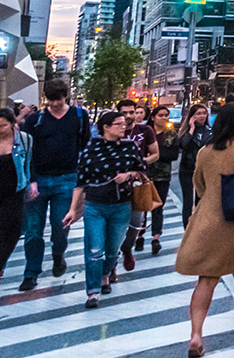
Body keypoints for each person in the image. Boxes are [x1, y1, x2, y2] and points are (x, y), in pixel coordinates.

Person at [175, 103, 234, 358]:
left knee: (206, 278)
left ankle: (196, 335)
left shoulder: (205, 152)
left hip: (209, 219)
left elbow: (199, 185)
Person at [61, 111, 146, 308]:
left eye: (124, 123)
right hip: (95, 205)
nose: (123, 127)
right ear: (105, 127)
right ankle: (92, 292)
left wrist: (128, 175)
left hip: (121, 205)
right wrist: (73, 209)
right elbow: (80, 182)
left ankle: (106, 273)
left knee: (112, 250)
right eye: (118, 124)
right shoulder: (91, 148)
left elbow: (142, 171)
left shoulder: (129, 146)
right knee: (94, 249)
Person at [19, 78, 91, 291]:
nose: (54, 105)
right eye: (50, 101)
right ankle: (31, 272)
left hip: (67, 178)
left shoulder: (79, 116)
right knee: (33, 229)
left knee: (61, 226)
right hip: (39, 179)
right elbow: (27, 152)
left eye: (57, 100)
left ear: (65, 96)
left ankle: (58, 254)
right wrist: (31, 179)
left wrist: (83, 182)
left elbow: (85, 146)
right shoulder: (36, 120)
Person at [115, 99, 159, 274]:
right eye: (124, 113)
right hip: (116, 183)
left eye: (131, 112)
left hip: (138, 182)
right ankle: (112, 263)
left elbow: (155, 154)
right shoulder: (113, 129)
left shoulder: (145, 130)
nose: (128, 116)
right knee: (116, 224)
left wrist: (141, 162)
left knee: (136, 223)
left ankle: (127, 248)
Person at [0, 107, 33, 279]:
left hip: (15, 190)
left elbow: (29, 162)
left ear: (13, 125)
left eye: (3, 126)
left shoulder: (24, 140)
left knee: (13, 229)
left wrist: (31, 183)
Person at [145, 106, 178, 255]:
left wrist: (155, 154)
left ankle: (155, 238)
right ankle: (139, 235)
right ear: (153, 117)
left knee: (158, 207)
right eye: (161, 115)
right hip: (145, 175)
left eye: (166, 115)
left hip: (162, 175)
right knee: (142, 206)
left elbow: (173, 154)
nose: (164, 118)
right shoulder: (146, 131)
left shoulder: (170, 133)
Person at [177, 104, 211, 228]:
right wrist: (191, 129)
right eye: (198, 113)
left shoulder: (210, 131)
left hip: (203, 170)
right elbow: (183, 145)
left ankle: (198, 228)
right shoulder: (185, 132)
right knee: (187, 201)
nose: (202, 116)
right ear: (192, 116)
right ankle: (187, 229)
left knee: (200, 200)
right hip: (187, 168)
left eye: (204, 113)